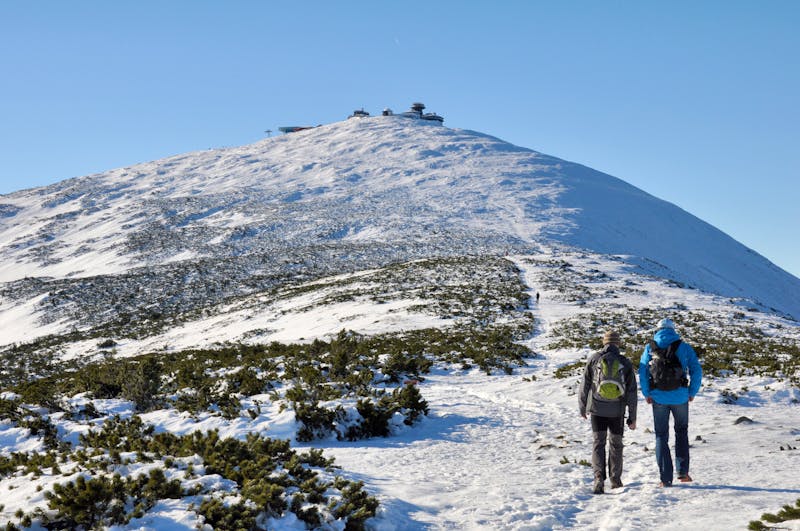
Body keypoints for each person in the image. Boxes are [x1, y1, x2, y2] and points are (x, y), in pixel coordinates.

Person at [639, 318, 703, 487]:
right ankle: (682, 473)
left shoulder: (649, 348)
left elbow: (643, 372)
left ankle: (665, 479)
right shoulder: (684, 347)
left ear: (657, 330)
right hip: (681, 396)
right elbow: (696, 370)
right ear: (673, 330)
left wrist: (647, 393)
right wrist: (691, 392)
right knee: (681, 431)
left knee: (661, 435)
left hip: (658, 397)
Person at [579, 330, 638, 494]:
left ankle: (598, 478)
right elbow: (632, 392)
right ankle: (615, 479)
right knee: (616, 445)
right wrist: (632, 416)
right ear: (618, 344)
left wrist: (583, 406)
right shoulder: (624, 362)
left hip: (597, 409)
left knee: (598, 443)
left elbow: (584, 385)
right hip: (617, 411)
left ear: (603, 342)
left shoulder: (594, 359)